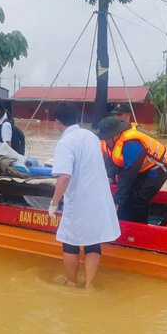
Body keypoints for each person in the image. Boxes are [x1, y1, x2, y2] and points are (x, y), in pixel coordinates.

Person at [49, 103, 120, 289]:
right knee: (93, 242)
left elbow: (64, 177)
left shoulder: (65, 142)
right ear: (77, 118)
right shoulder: (91, 137)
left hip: (79, 200)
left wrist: (54, 203)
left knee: (70, 242)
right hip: (98, 198)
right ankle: (89, 285)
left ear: (58, 122)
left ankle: (71, 283)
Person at [97, 117, 167, 224]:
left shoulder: (131, 145)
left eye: (108, 138)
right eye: (104, 138)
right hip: (140, 168)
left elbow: (128, 176)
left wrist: (117, 202)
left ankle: (140, 229)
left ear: (116, 134)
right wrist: (110, 178)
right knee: (128, 194)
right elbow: (112, 161)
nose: (106, 141)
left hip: (158, 168)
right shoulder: (110, 143)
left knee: (140, 198)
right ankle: (124, 222)